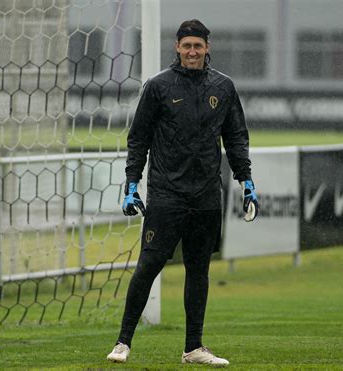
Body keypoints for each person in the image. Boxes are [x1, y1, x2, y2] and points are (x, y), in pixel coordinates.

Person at [106, 19, 259, 367]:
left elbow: (236, 138)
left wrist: (246, 180)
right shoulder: (158, 86)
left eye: (198, 46)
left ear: (207, 48)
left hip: (206, 196)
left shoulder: (224, 86)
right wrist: (132, 184)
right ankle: (122, 342)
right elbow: (138, 139)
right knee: (149, 265)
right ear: (177, 47)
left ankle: (194, 348)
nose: (192, 51)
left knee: (199, 269)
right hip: (166, 194)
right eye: (186, 45)